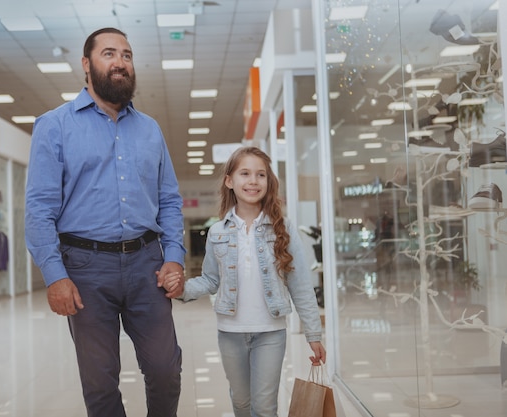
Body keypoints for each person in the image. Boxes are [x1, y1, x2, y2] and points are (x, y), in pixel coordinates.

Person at [25, 27, 186, 417]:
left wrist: (175, 256)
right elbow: (39, 208)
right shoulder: (55, 125)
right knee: (99, 382)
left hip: (148, 263)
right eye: (109, 54)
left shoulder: (150, 129)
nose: (120, 63)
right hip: (84, 269)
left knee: (166, 369)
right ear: (87, 64)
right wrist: (55, 274)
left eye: (127, 55)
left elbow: (169, 200)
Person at [158, 146, 326, 417]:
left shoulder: (283, 228)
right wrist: (180, 289)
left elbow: (301, 284)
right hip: (230, 332)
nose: (253, 181)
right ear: (229, 181)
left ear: (268, 181)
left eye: (261, 175)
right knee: (241, 403)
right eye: (245, 173)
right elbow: (211, 280)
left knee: (264, 407)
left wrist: (313, 334)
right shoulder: (217, 231)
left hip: (270, 331)